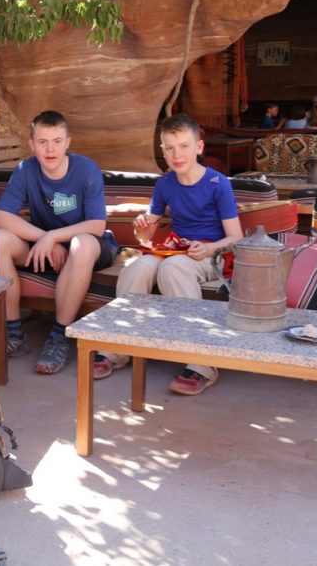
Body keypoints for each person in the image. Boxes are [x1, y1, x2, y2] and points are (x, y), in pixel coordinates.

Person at [97, 114, 242, 394]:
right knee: (137, 267)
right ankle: (118, 347)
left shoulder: (217, 183)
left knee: (173, 268)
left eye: (184, 146)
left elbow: (235, 237)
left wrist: (210, 247)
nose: (178, 155)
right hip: (176, 249)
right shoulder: (165, 184)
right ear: (162, 151)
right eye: (170, 148)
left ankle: (202, 363)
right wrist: (142, 228)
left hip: (210, 254)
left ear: (199, 148)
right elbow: (147, 233)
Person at [0, 110, 118, 375]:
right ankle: (14, 333)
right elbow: (2, 217)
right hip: (45, 247)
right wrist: (44, 239)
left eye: (57, 141)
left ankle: (59, 337)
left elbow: (97, 226)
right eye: (42, 142)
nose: (50, 149)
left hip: (90, 246)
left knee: (81, 245)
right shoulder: (26, 170)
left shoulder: (86, 169)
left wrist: (54, 237)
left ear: (68, 143)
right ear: (31, 144)